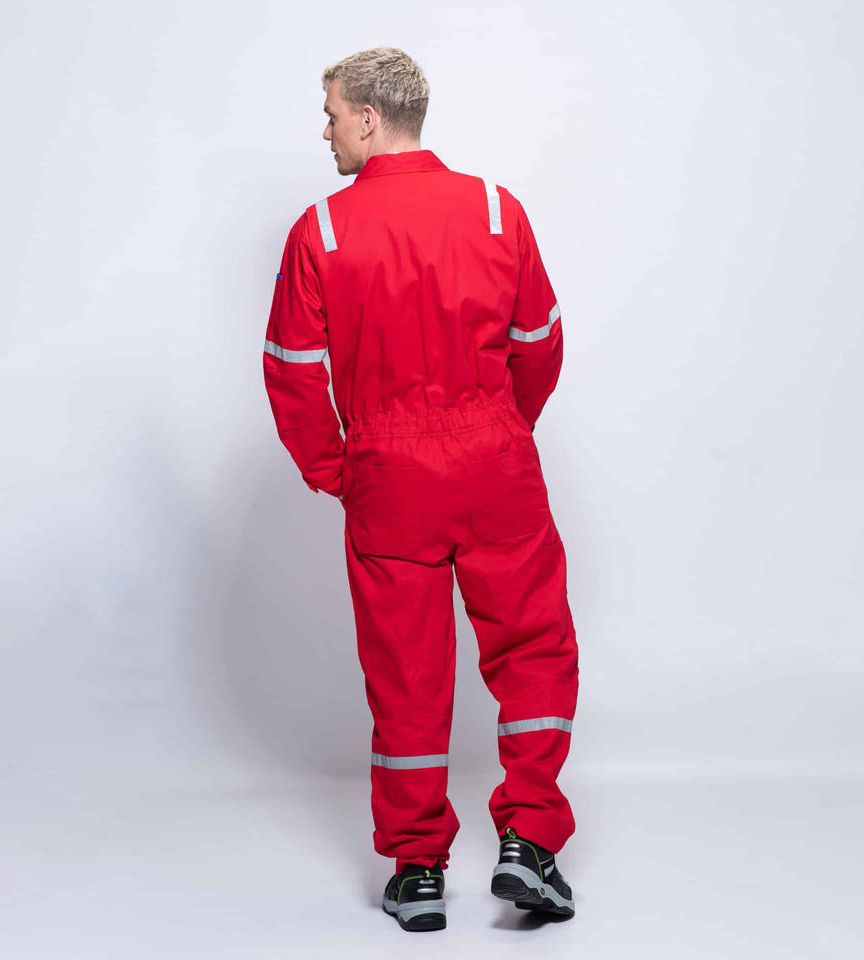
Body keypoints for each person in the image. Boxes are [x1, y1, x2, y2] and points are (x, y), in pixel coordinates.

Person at [262, 46, 579, 931]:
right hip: (495, 466)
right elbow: (540, 342)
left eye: (332, 114)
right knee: (533, 650)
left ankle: (416, 872)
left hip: (389, 478)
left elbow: (293, 370)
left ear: (369, 118)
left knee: (406, 672)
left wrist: (339, 468)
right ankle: (531, 847)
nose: (326, 131)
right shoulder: (496, 210)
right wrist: (499, 428)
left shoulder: (322, 231)